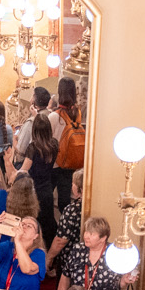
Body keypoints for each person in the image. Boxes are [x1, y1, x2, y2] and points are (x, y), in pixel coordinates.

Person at [54, 216, 129, 290]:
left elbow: (119, 284)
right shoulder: (78, 249)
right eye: (86, 232)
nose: (86, 236)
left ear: (103, 238)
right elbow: (66, 276)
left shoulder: (113, 254)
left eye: (92, 234)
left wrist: (125, 281)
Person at [17, 114, 62, 244]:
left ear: (34, 130)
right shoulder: (54, 144)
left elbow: (23, 170)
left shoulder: (33, 148)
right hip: (47, 187)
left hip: (34, 190)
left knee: (34, 223)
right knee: (48, 219)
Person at [52, 77, 85, 210]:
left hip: (56, 163)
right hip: (72, 160)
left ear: (60, 92)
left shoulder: (54, 116)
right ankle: (66, 216)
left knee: (49, 196)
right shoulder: (77, 113)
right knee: (65, 197)